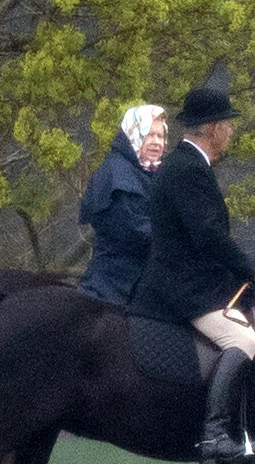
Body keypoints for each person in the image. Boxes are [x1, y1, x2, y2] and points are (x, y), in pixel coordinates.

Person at [132, 88, 255, 464]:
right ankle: (216, 436)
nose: (231, 132)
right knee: (244, 340)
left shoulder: (190, 165)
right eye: (228, 125)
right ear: (213, 128)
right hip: (183, 287)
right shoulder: (188, 169)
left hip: (198, 279)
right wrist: (250, 271)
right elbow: (208, 236)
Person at [77, 104, 167, 305]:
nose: (156, 142)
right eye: (148, 135)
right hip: (114, 286)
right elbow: (136, 231)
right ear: (133, 135)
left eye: (160, 136)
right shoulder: (116, 174)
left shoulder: (157, 174)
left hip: (148, 281)